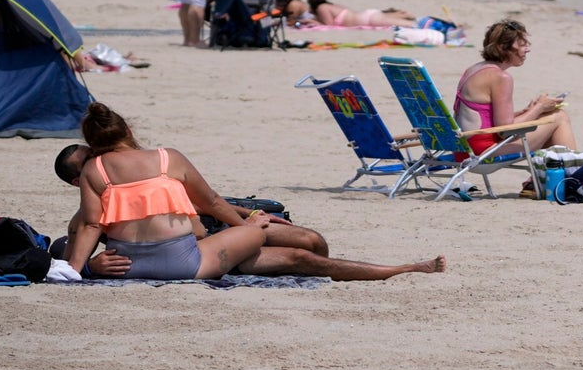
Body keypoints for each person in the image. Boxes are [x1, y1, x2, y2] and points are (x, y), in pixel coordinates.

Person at [55, 133, 445, 281]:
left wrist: (245, 217)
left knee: (311, 239)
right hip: (212, 251)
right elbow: (72, 252)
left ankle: (326, 277)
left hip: (216, 233)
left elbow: (208, 203)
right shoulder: (88, 215)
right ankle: (401, 269)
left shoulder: (139, 170)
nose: (101, 159)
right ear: (79, 181)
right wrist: (91, 266)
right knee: (299, 253)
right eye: (90, 159)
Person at [64, 103, 273, 279]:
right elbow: (212, 201)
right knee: (255, 233)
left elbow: (91, 224)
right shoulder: (168, 158)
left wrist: (76, 269)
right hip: (182, 264)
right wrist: (246, 227)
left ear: (92, 144)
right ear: (128, 130)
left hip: (125, 266)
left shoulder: (93, 169)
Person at [454, 19, 576, 161]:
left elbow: (487, 118)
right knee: (558, 117)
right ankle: (574, 174)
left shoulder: (474, 69)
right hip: (483, 152)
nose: (527, 49)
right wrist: (539, 107)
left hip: (463, 148)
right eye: (522, 45)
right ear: (502, 47)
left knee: (546, 120)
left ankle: (548, 179)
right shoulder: (500, 77)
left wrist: (530, 111)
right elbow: (505, 131)